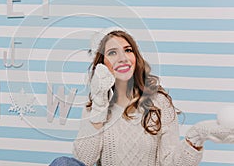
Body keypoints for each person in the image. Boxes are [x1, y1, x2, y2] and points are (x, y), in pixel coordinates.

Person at [50, 27, 234, 166]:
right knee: (63, 163)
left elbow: (170, 161)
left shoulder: (158, 103)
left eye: (128, 50)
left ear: (136, 57)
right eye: (112, 52)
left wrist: (196, 136)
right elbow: (84, 160)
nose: (122, 58)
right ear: (101, 64)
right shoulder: (95, 106)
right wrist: (99, 105)